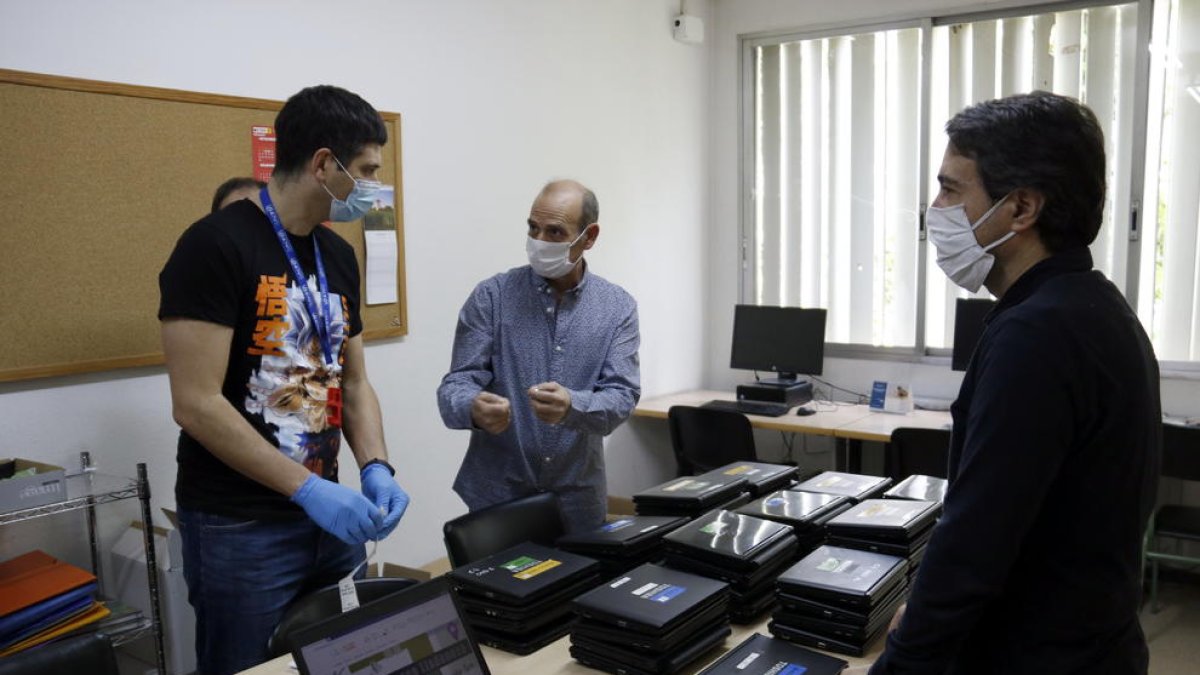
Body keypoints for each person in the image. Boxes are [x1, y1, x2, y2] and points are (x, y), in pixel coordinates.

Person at [870, 91, 1160, 673]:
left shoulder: (1039, 333)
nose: (935, 207)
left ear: (1021, 208)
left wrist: (900, 662)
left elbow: (977, 539)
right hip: (1090, 638)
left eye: (952, 189)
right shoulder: (1092, 305)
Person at [159, 85, 410, 675]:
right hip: (239, 528)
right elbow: (195, 405)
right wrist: (305, 489)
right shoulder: (214, 245)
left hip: (333, 518)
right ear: (325, 164)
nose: (372, 186)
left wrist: (375, 466)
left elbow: (353, 382)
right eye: (367, 170)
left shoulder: (336, 254)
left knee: (341, 661)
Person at [436, 179, 640, 534]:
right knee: (495, 589)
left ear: (588, 238)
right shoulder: (492, 297)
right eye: (533, 228)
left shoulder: (617, 308)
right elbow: (455, 385)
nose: (539, 242)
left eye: (555, 232)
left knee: (579, 589)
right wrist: (473, 407)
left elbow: (622, 396)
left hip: (577, 501)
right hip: (498, 496)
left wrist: (573, 406)